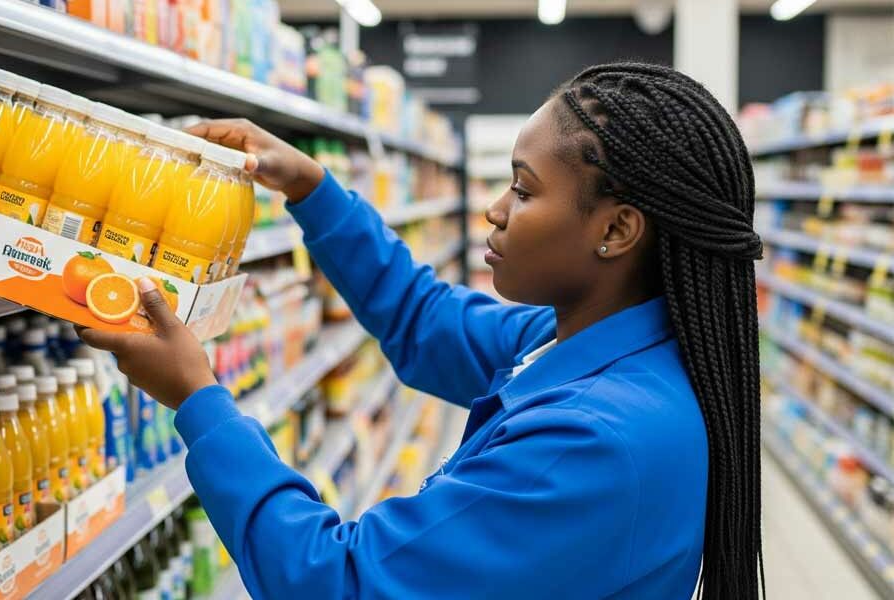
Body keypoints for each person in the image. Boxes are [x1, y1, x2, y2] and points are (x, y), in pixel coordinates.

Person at [81, 62, 763, 599]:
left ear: (615, 230)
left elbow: (338, 583)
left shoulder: (595, 443)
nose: (495, 210)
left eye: (524, 191)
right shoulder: (589, 343)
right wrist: (313, 189)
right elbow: (427, 322)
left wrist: (199, 400)